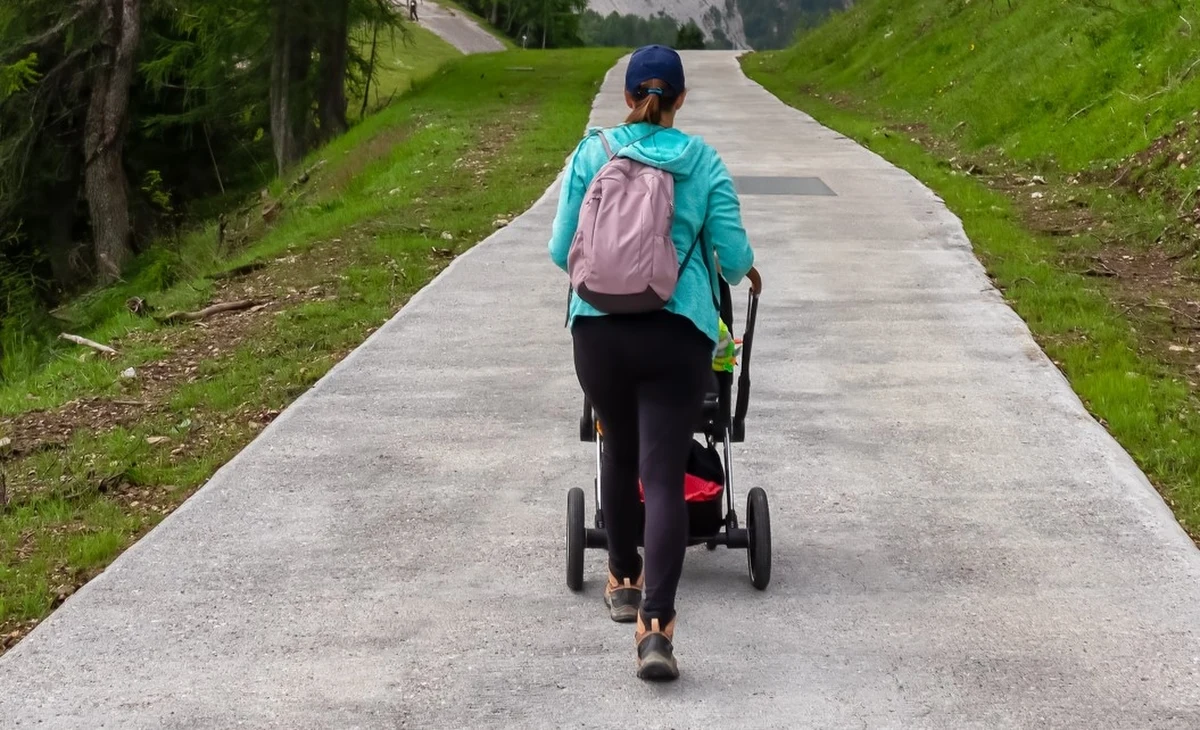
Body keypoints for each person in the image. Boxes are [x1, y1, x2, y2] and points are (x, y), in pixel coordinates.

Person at [548, 45, 760, 681]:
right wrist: (744, 267)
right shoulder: (703, 161)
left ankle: (621, 578)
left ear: (627, 97)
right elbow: (729, 257)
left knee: (616, 449)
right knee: (663, 472)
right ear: (682, 99)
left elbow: (563, 252)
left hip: (600, 335)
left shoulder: (593, 153)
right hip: (677, 334)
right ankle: (657, 629)